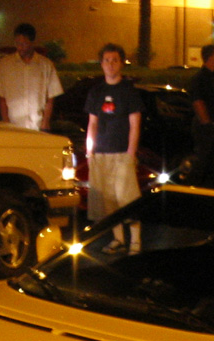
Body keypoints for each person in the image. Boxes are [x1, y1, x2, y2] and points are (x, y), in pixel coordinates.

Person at [84, 43, 145, 254]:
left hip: (122, 154)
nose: (110, 64)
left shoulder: (129, 91)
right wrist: (89, 151)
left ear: (121, 63)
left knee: (127, 198)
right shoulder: (96, 92)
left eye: (114, 60)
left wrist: (131, 153)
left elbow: (135, 124)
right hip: (100, 154)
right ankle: (118, 239)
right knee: (108, 200)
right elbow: (92, 123)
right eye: (106, 60)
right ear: (101, 64)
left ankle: (135, 241)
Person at [0, 23, 63, 130]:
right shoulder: (5, 65)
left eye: (24, 44)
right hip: (14, 125)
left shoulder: (46, 65)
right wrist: (6, 122)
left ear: (32, 42)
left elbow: (50, 98)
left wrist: (45, 121)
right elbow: (2, 97)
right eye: (17, 43)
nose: (20, 47)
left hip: (37, 125)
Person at [188, 43, 214, 186]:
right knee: (203, 162)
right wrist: (207, 124)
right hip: (204, 127)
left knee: (212, 163)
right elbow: (198, 102)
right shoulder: (200, 78)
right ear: (211, 57)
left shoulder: (213, 76)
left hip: (212, 124)